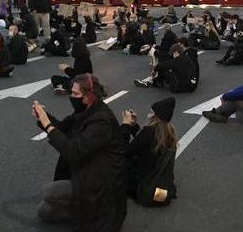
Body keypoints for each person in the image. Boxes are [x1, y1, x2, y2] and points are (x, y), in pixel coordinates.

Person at [33, 74, 127, 231]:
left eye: (75, 94)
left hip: (101, 183)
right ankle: (78, 207)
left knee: (48, 192)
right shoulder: (86, 112)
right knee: (44, 212)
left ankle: (85, 209)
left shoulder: (101, 121)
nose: (71, 97)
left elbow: (73, 151)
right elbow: (63, 130)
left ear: (89, 96)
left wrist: (47, 125)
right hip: (87, 171)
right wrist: (43, 117)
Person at [121, 98, 177, 202]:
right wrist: (134, 126)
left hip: (146, 184)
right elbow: (143, 143)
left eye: (151, 112)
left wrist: (125, 125)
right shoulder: (168, 132)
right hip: (161, 182)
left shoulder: (149, 132)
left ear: (156, 117)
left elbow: (125, 150)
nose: (148, 115)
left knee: (120, 159)